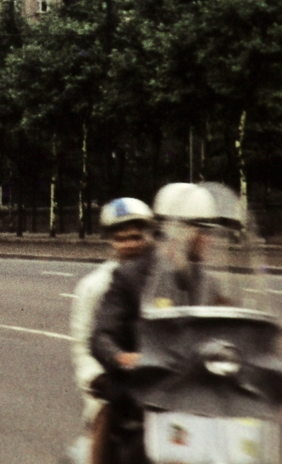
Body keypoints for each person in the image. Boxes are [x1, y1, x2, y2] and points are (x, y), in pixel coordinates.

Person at [90, 183, 218, 464]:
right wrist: (122, 357)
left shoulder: (208, 281)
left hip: (194, 392)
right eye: (202, 230)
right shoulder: (130, 275)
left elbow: (228, 330)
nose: (208, 239)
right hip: (142, 393)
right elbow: (101, 335)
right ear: (178, 229)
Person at [68, 198, 155, 464]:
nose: (128, 244)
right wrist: (95, 379)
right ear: (111, 241)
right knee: (106, 414)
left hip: (157, 379)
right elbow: (84, 341)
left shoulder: (161, 277)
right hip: (112, 380)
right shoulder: (94, 285)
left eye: (135, 237)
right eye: (121, 238)